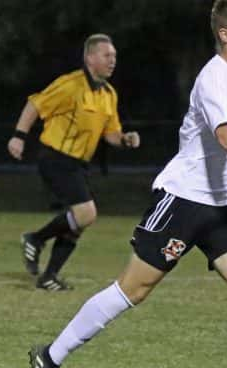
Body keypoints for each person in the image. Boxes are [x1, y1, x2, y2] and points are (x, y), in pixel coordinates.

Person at [27, 0, 227, 368]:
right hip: (183, 201)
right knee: (132, 290)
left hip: (222, 205)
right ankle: (51, 355)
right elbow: (225, 136)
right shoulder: (214, 79)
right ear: (225, 34)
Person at [7, 34, 141, 291]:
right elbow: (35, 104)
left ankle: (48, 276)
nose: (113, 61)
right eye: (106, 55)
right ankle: (35, 239)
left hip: (78, 164)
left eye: (114, 56)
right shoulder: (71, 85)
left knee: (79, 220)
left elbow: (110, 134)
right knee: (86, 214)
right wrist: (19, 136)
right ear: (90, 58)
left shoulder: (108, 94)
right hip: (55, 157)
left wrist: (125, 140)